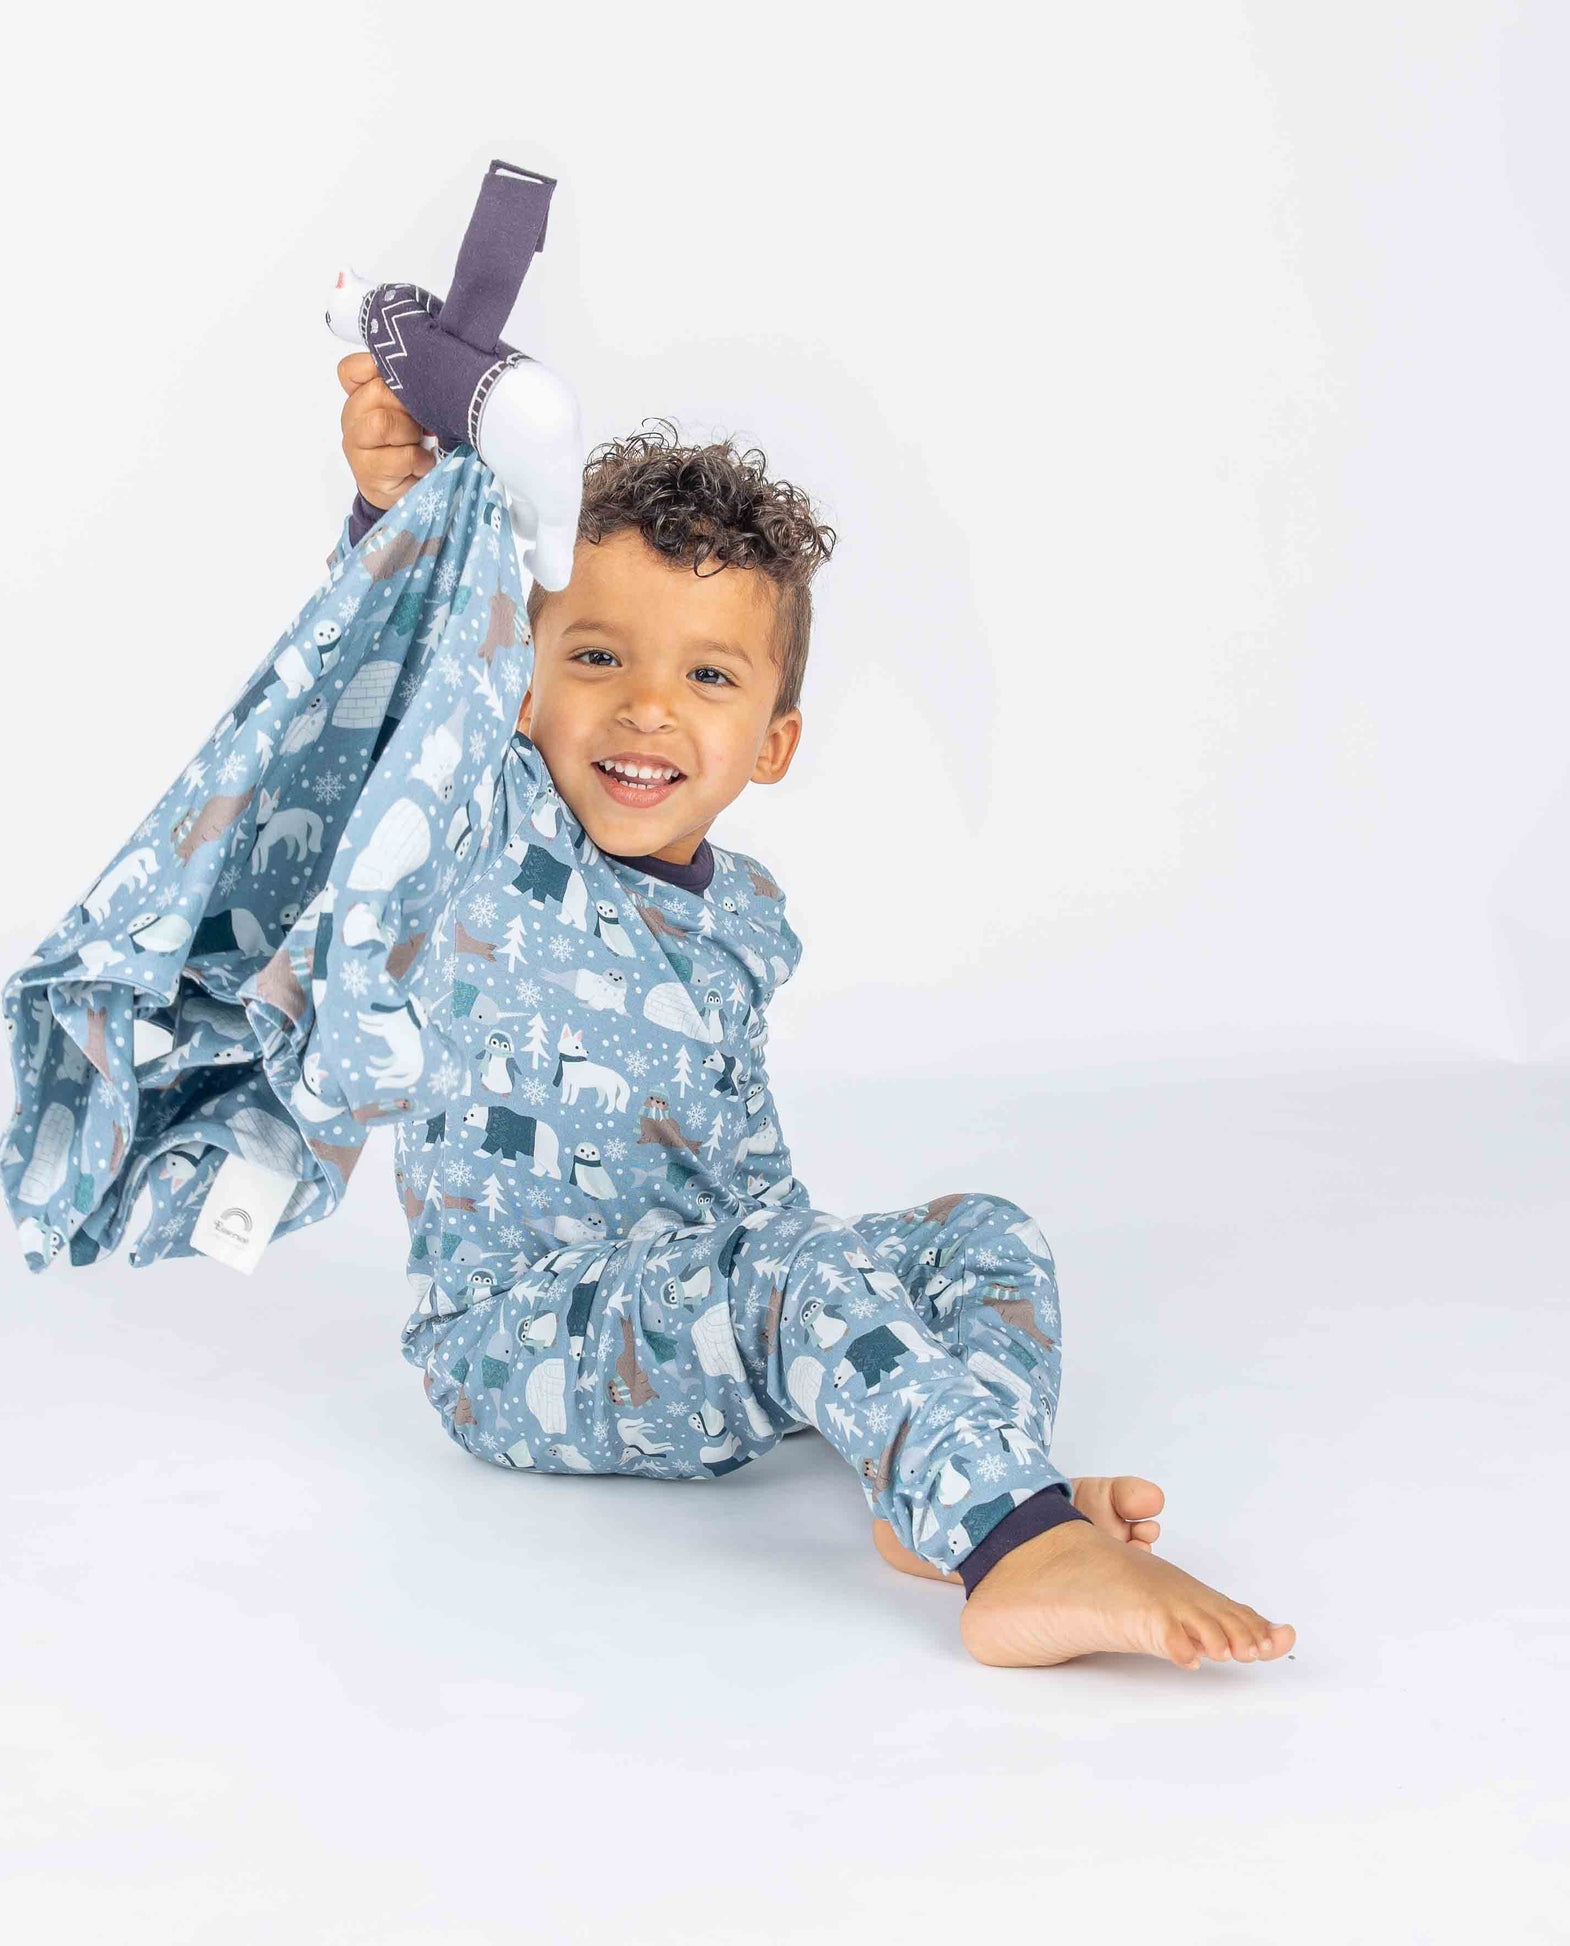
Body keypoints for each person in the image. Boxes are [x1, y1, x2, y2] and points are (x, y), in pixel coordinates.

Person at [328, 349, 1298, 1672]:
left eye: (709, 678)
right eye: (596, 654)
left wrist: (821, 1275)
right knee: (794, 1271)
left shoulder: (744, 915)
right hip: (523, 1345)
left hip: (726, 1294)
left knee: (981, 1233)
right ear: (520, 679)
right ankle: (1015, 1550)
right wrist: (395, 519)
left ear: (774, 741)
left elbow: (741, 1168)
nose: (646, 706)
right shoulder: (490, 834)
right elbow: (392, 707)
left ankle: (947, 1487)